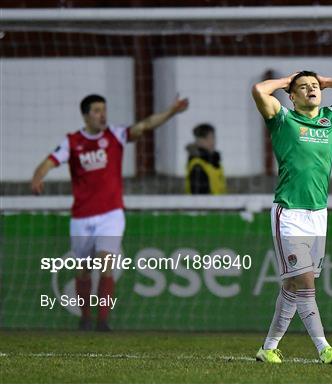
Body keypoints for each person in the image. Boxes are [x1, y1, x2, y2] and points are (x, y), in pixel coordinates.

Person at [31, 93, 189, 331]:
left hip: (111, 214)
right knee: (83, 269)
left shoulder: (114, 135)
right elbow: (49, 161)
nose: (102, 115)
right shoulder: (72, 142)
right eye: (96, 110)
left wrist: (171, 111)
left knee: (106, 263)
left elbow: (145, 125)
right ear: (85, 115)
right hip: (82, 216)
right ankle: (85, 318)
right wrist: (37, 177)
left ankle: (103, 321)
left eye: (104, 109)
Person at [251, 71, 332, 364]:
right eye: (303, 88)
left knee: (294, 286)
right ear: (291, 97)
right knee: (305, 283)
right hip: (289, 212)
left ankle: (268, 348)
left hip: (319, 214)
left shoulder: (331, 118)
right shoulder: (283, 119)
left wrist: (328, 81)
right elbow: (259, 90)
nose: (311, 90)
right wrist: (287, 81)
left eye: (315, 87)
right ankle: (324, 348)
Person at [185, 123, 227, 194]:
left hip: (221, 204)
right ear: (200, 140)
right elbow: (199, 197)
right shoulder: (197, 166)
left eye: (214, 138)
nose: (213, 142)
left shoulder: (215, 162)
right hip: (207, 205)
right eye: (210, 138)